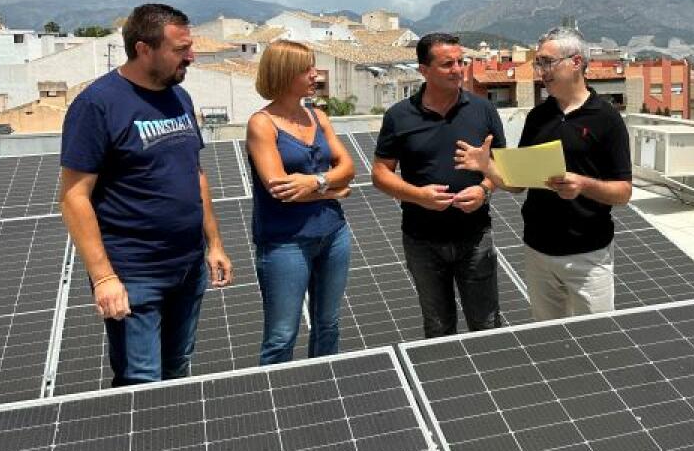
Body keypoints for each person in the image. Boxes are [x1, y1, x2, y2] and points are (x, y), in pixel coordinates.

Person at [59, 3, 233, 386]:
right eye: (180, 49)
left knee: (177, 367)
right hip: (135, 272)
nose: (191, 55)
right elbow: (74, 196)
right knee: (141, 381)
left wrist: (214, 243)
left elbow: (195, 173)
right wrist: (104, 277)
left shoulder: (179, 97)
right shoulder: (98, 105)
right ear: (143, 49)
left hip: (187, 268)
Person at [455, 26, 631, 320]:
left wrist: (583, 185)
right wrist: (487, 166)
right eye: (539, 63)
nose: (541, 71)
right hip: (538, 251)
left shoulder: (607, 119)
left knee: (599, 337)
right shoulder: (538, 117)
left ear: (576, 62)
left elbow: (623, 192)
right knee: (548, 339)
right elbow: (518, 184)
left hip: (588, 255)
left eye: (547, 62)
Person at [373, 33, 506, 337]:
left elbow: (502, 168)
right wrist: (417, 195)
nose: (458, 69)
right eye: (448, 64)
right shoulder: (399, 116)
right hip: (422, 241)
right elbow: (380, 172)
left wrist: (484, 189)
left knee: (486, 324)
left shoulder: (483, 110)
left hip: (475, 237)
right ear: (424, 70)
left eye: (461, 62)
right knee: (438, 326)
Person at [246, 40, 355, 363]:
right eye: (306, 69)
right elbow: (279, 189)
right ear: (284, 73)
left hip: (333, 234)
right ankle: (277, 402)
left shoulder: (318, 117)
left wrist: (315, 181)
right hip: (285, 243)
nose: (314, 74)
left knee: (328, 325)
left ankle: (323, 387)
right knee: (281, 336)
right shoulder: (261, 124)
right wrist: (333, 190)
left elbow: (348, 168)